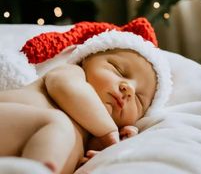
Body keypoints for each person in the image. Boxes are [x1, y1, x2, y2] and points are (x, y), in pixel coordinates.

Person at [0, 19, 172, 174]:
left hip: (16, 154)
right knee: (58, 122)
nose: (129, 90)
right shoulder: (73, 73)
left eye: (139, 100)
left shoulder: (91, 136)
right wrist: (109, 132)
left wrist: (110, 147)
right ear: (86, 59)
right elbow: (64, 87)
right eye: (118, 70)